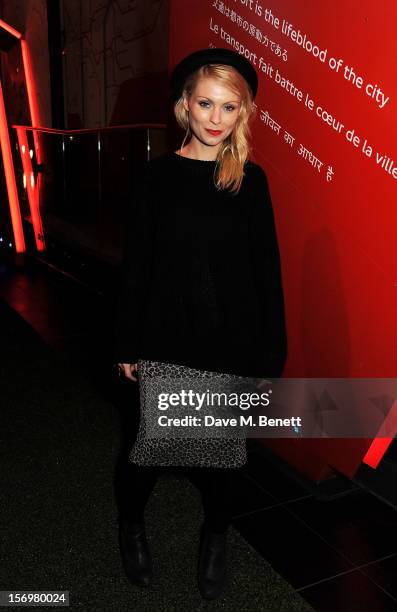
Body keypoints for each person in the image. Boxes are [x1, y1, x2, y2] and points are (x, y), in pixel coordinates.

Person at [113, 47, 287, 600]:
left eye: (229, 107)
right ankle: (132, 525)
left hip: (231, 343)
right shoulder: (156, 178)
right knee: (150, 451)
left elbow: (267, 274)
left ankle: (216, 538)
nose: (216, 118)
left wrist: (270, 354)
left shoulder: (250, 182)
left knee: (226, 457)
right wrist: (127, 340)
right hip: (168, 338)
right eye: (206, 103)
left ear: (243, 113)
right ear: (184, 106)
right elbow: (137, 265)